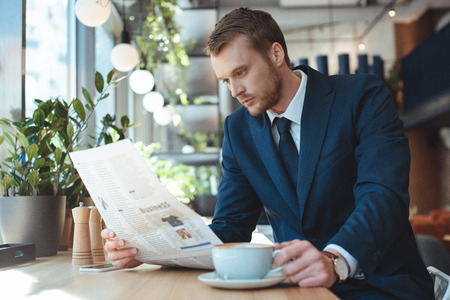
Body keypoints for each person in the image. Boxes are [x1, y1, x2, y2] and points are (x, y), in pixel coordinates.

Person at [102, 7, 434, 299]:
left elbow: (383, 195)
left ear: (276, 54)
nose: (235, 91)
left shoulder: (361, 97)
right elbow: (231, 226)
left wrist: (334, 260)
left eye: (241, 72)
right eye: (226, 81)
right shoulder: (239, 131)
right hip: (296, 289)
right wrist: (149, 249)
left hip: (378, 286)